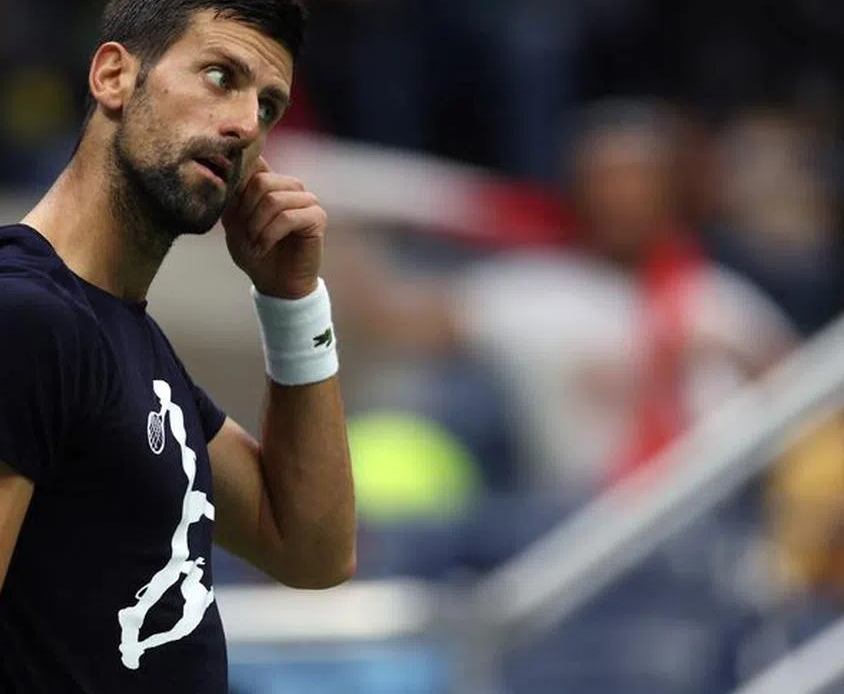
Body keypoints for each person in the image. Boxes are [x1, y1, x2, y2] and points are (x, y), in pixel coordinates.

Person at [0, 0, 355, 694]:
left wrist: (294, 305)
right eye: (221, 76)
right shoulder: (16, 322)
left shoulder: (122, 337)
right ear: (113, 78)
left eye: (270, 107)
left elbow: (312, 550)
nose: (245, 125)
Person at [331, 99, 794, 494]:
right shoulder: (535, 290)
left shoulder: (721, 299)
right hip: (578, 517)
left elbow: (805, 399)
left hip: (716, 508)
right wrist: (337, 245)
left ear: (671, 193)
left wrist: (735, 359)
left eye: (639, 181)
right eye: (607, 181)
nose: (623, 199)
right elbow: (392, 320)